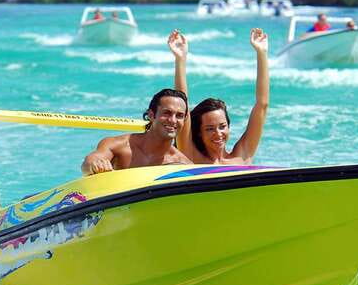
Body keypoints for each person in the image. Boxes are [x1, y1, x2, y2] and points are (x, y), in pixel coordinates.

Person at [167, 28, 270, 165]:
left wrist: (262, 53)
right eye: (209, 129)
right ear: (199, 133)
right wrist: (180, 59)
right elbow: (182, 106)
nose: (218, 133)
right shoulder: (191, 157)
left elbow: (262, 105)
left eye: (222, 126)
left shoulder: (242, 157)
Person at [81, 89, 192, 175]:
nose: (173, 120)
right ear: (151, 115)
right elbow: (89, 162)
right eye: (167, 113)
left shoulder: (182, 165)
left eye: (179, 115)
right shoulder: (119, 146)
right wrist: (95, 165)